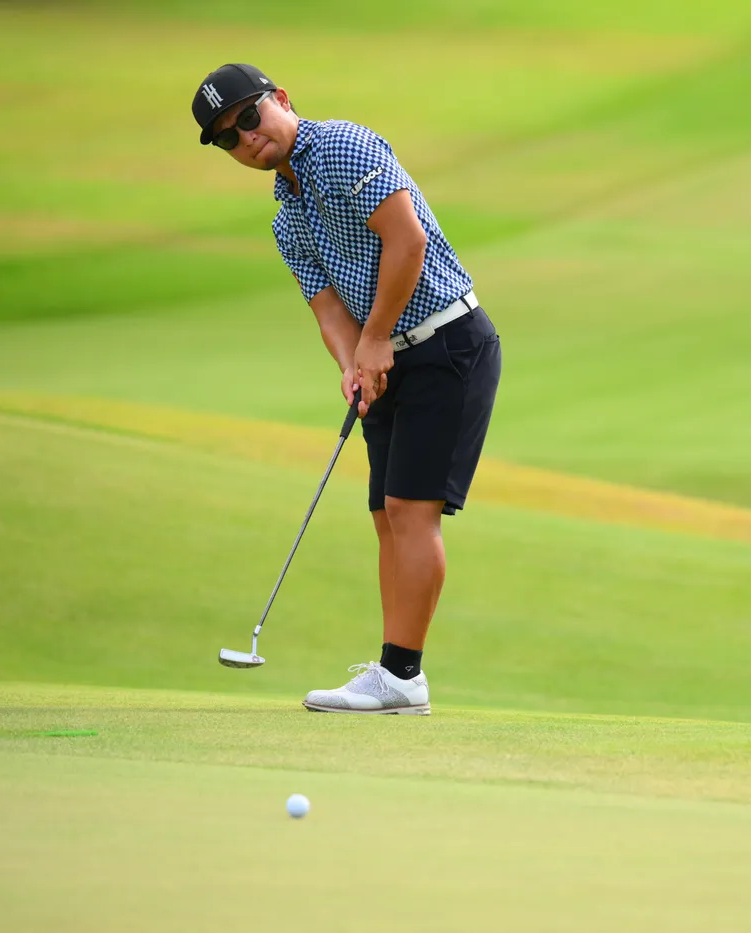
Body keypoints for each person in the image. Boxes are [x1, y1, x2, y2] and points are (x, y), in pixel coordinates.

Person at [191, 63, 501, 715]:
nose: (245, 137)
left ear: (280, 100)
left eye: (248, 117)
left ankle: (402, 676)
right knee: (386, 513)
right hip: (389, 358)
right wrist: (353, 364)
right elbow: (329, 310)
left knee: (412, 510)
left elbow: (407, 241)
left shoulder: (342, 146)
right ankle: (394, 671)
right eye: (226, 138)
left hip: (447, 342)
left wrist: (375, 337)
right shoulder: (286, 220)